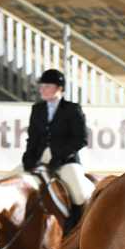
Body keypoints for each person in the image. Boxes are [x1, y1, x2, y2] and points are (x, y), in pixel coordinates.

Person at [20, 69, 94, 233]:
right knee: (9, 180)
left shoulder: (72, 109)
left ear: (59, 88)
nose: (42, 89)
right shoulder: (37, 109)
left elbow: (80, 139)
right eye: (41, 86)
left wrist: (59, 157)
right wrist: (28, 159)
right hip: (39, 158)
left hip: (66, 160)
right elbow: (32, 138)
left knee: (80, 194)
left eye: (47, 86)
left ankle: (78, 230)